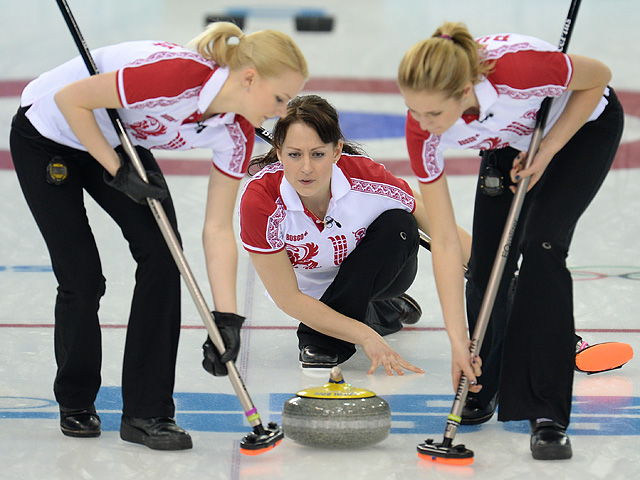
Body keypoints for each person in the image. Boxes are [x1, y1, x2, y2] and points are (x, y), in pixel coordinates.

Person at [9, 22, 307, 450]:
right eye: (280, 98)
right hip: (49, 133)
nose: (280, 112)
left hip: (115, 139)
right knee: (82, 277)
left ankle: (146, 413)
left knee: (164, 256)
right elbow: (70, 99)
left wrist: (226, 319)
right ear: (249, 78)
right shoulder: (178, 77)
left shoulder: (235, 133)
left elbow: (217, 227)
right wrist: (118, 171)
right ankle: (75, 399)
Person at [397, 22, 623, 460]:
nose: (424, 125)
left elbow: (599, 77)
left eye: (433, 115)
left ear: (465, 90)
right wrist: (458, 342)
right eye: (414, 111)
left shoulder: (521, 70)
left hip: (579, 130)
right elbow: (445, 240)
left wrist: (549, 148)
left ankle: (546, 411)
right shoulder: (422, 128)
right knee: (486, 267)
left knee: (542, 247)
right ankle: (481, 379)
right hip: (509, 142)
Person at [238, 94, 476, 376]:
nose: (306, 168)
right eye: (294, 154)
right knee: (348, 310)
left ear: (337, 151)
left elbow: (443, 230)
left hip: (379, 276)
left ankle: (332, 334)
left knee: (400, 224)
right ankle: (371, 315)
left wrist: (494, 274)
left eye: (318, 154)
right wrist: (364, 335)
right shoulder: (260, 201)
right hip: (309, 296)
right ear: (279, 153)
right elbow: (287, 297)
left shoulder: (366, 177)